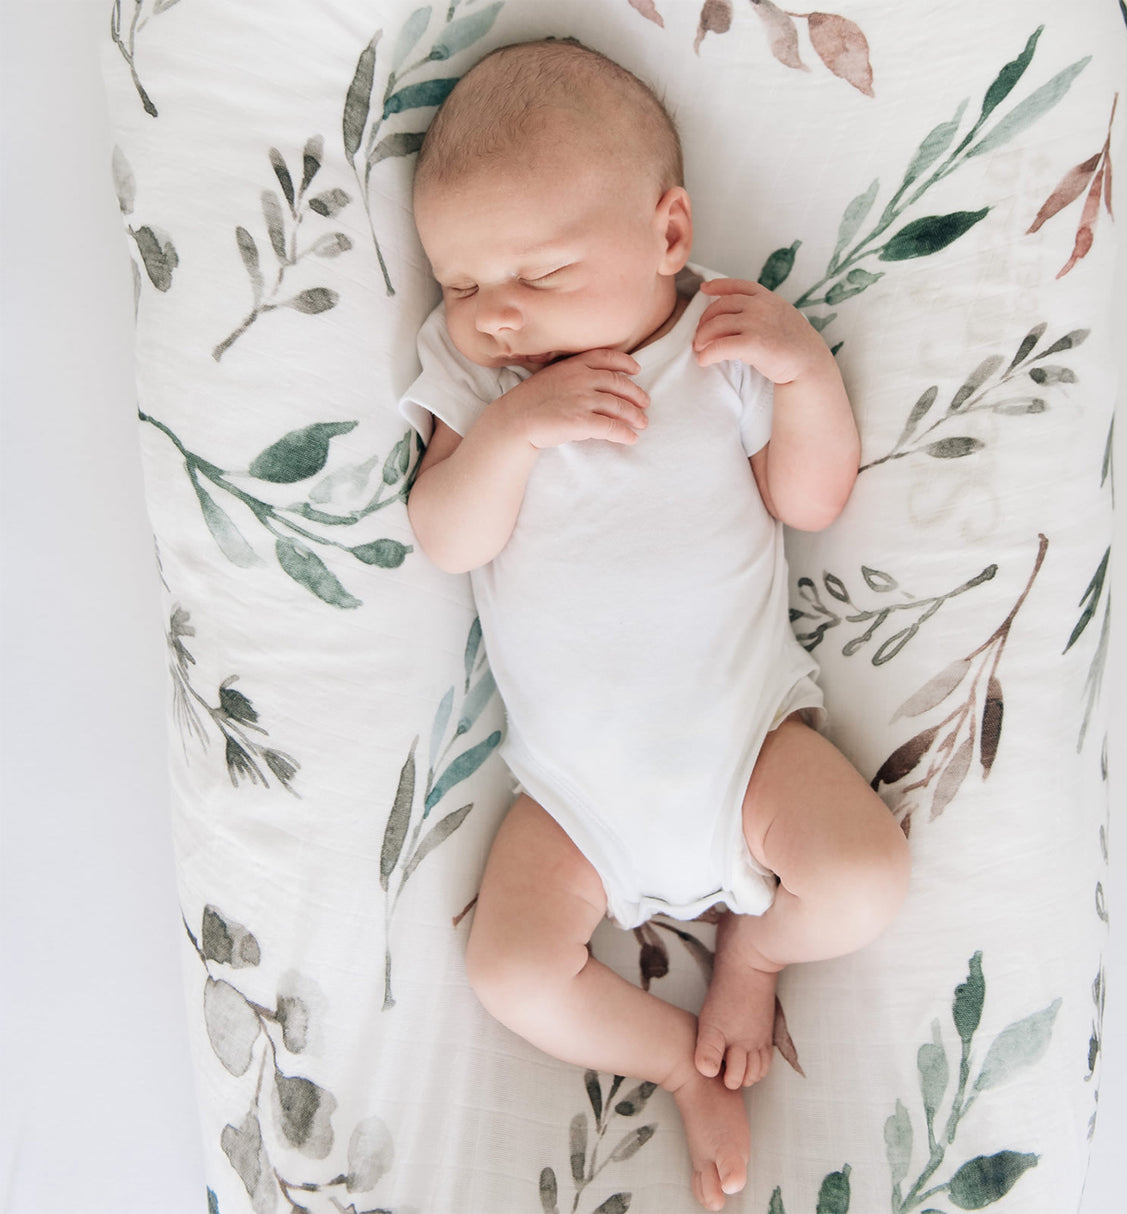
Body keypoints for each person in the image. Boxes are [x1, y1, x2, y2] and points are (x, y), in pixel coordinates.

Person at [400, 38, 910, 1212]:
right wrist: (515, 430)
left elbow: (808, 497)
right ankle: (675, 1066)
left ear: (666, 236)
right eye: (465, 286)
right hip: (576, 803)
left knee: (866, 876)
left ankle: (755, 952)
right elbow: (445, 533)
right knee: (510, 969)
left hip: (746, 752)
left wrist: (805, 376)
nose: (499, 316)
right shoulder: (483, 391)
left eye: (538, 272)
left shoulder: (720, 345)